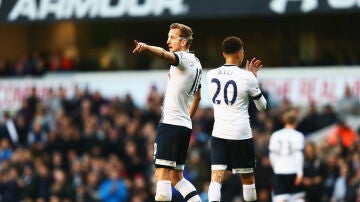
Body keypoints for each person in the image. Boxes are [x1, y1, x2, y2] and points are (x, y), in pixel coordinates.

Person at [132, 23, 202, 202]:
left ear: (184, 42)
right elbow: (198, 98)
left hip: (171, 125)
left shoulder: (183, 59)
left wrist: (146, 47)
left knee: (162, 176)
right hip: (183, 125)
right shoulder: (197, 64)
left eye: (172, 37)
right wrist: (186, 117)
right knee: (176, 177)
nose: (168, 41)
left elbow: (163, 54)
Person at [206, 36, 267, 202]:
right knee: (247, 180)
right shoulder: (247, 77)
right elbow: (262, 107)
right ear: (240, 53)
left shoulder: (210, 75)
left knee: (215, 179)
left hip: (219, 133)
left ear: (223, 53)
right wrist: (254, 79)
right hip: (241, 134)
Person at [268, 109, 306, 202]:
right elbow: (298, 155)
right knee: (298, 199)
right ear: (295, 121)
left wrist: (276, 168)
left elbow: (272, 155)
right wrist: (300, 173)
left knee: (280, 199)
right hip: (293, 171)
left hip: (279, 171)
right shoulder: (298, 135)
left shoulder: (275, 135)